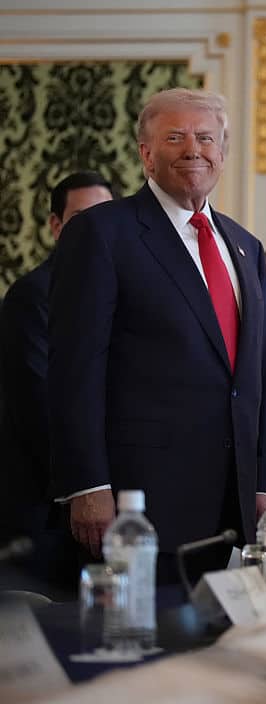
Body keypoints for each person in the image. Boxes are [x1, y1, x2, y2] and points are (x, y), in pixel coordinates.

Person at [48, 88, 266, 584]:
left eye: (205, 138)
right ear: (146, 154)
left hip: (232, 506)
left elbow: (257, 380)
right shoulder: (102, 233)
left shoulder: (246, 247)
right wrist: (88, 484)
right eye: (175, 137)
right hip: (140, 506)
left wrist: (263, 484)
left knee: (219, 651)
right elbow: (75, 370)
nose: (193, 149)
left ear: (223, 153)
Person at [0, 171, 115, 590]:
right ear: (55, 226)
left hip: (109, 508)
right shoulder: (31, 297)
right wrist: (92, 482)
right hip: (47, 513)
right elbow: (41, 410)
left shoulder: (120, 292)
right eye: (80, 218)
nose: (93, 230)